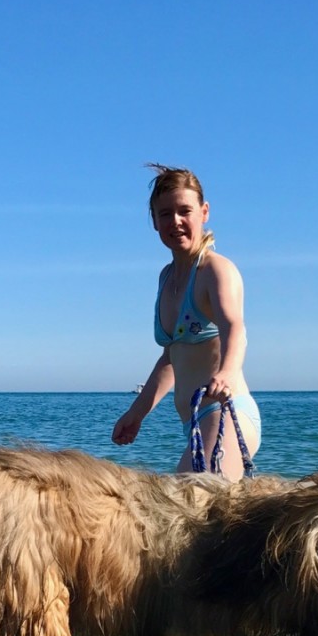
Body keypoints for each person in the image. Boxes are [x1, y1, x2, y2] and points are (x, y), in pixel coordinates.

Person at [111, 165, 261, 481]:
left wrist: (227, 373)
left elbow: (235, 329)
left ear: (204, 212)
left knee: (184, 500)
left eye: (184, 211)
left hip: (226, 412)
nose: (175, 221)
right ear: (154, 221)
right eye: (165, 213)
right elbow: (171, 357)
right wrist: (136, 413)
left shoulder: (215, 271)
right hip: (193, 422)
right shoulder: (166, 278)